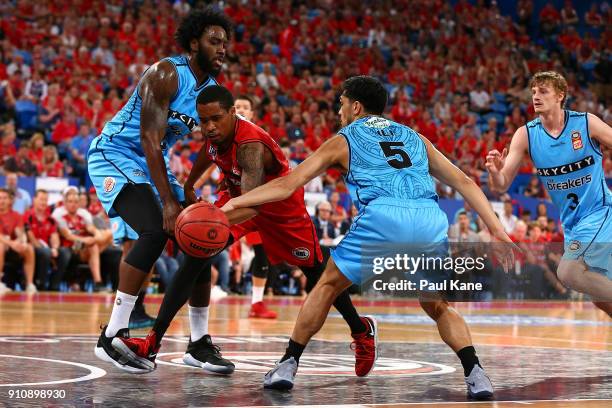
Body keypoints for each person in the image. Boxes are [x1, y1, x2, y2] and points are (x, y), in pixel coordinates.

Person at [221, 76, 516, 397]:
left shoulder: (344, 139)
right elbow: (465, 182)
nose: (339, 111)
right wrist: (497, 230)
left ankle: (288, 363)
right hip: (429, 218)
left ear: (356, 106)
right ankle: (476, 373)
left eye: (342, 104)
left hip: (384, 215)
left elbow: (287, 185)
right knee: (438, 305)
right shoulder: (416, 138)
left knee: (327, 286)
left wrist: (235, 201)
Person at [111, 85, 376, 378]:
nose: (209, 127)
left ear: (233, 114)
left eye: (216, 119)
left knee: (316, 273)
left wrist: (213, 215)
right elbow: (208, 150)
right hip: (238, 197)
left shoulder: (251, 146)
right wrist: (190, 184)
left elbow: (253, 205)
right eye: (204, 120)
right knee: (196, 251)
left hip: (277, 206)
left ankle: (361, 330)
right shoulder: (215, 133)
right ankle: (153, 342)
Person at [86, 8, 234, 373]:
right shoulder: (167, 73)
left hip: (154, 163)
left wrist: (186, 187)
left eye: (225, 44)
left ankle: (198, 343)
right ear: (194, 41)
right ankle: (113, 335)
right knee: (153, 229)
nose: (222, 50)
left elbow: (210, 141)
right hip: (115, 153)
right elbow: (149, 139)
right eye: (214, 41)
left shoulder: (208, 91)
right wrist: (169, 200)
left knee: (204, 239)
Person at [486, 71, 612, 314]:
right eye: (533, 92)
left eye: (543, 91)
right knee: (599, 296)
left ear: (560, 96)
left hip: (601, 213)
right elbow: (500, 185)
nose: (536, 96)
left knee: (569, 272)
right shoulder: (526, 135)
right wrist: (495, 171)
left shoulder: (586, 123)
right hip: (573, 224)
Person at [234, 94, 277, 318]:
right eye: (237, 106)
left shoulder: (259, 136)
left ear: (252, 114)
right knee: (212, 243)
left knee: (263, 252)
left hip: (256, 201)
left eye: (246, 107)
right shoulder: (224, 136)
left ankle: (257, 303)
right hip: (234, 201)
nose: (241, 109)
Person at [0, 188, 36, 293]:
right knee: (0, 246)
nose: (1, 201)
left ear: (10, 200)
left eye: (4, 198)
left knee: (28, 248)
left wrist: (22, 242)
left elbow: (19, 232)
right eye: (0, 198)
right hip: (4, 245)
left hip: (11, 246)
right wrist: (11, 243)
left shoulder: (16, 215)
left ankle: (30, 284)